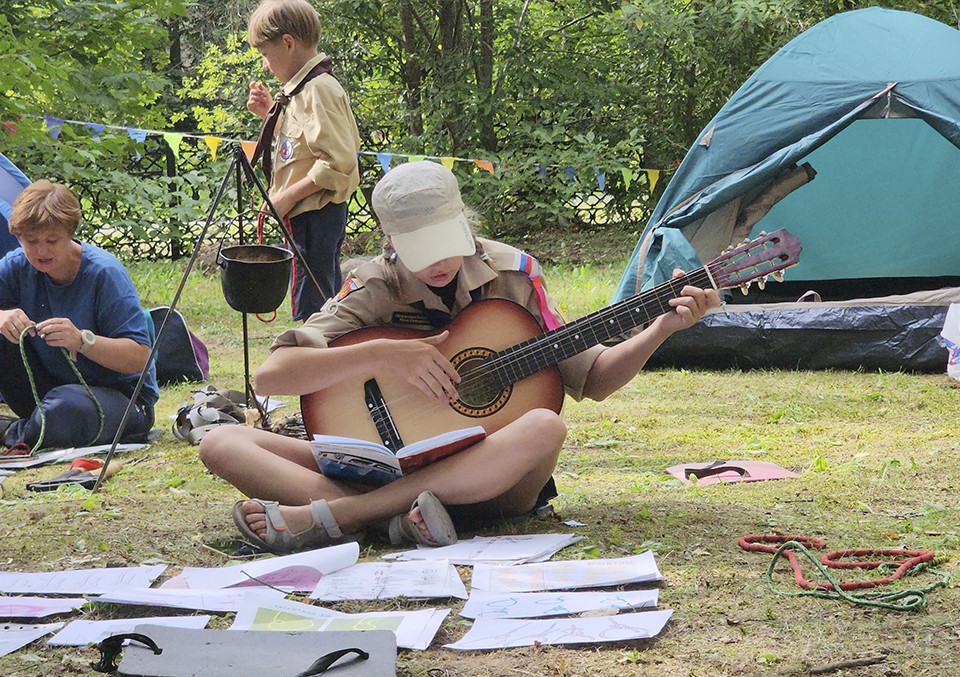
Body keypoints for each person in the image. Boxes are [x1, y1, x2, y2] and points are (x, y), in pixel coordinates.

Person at [199, 161, 718, 554]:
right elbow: (272, 377)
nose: (441, 263)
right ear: (391, 243)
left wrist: (661, 328)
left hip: (488, 484)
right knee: (221, 442)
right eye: (421, 250)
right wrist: (382, 355)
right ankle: (396, 523)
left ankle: (339, 516)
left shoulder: (516, 275)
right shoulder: (374, 284)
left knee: (544, 426)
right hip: (386, 464)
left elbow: (596, 379)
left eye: (448, 243)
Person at [0, 180, 158, 452]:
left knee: (66, 409)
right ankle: (33, 426)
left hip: (119, 398)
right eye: (31, 241)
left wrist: (82, 341)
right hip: (46, 391)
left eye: (52, 240)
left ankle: (13, 430)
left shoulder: (104, 274)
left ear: (70, 234)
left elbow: (139, 358)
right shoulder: (17, 266)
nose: (41, 251)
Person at [246, 0, 362, 321]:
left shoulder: (318, 90)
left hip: (316, 217)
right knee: (319, 299)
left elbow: (337, 164)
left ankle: (318, 361)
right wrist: (269, 113)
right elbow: (305, 148)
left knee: (316, 307)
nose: (266, 66)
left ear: (287, 43)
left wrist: (285, 197)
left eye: (266, 55)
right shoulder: (301, 91)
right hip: (308, 218)